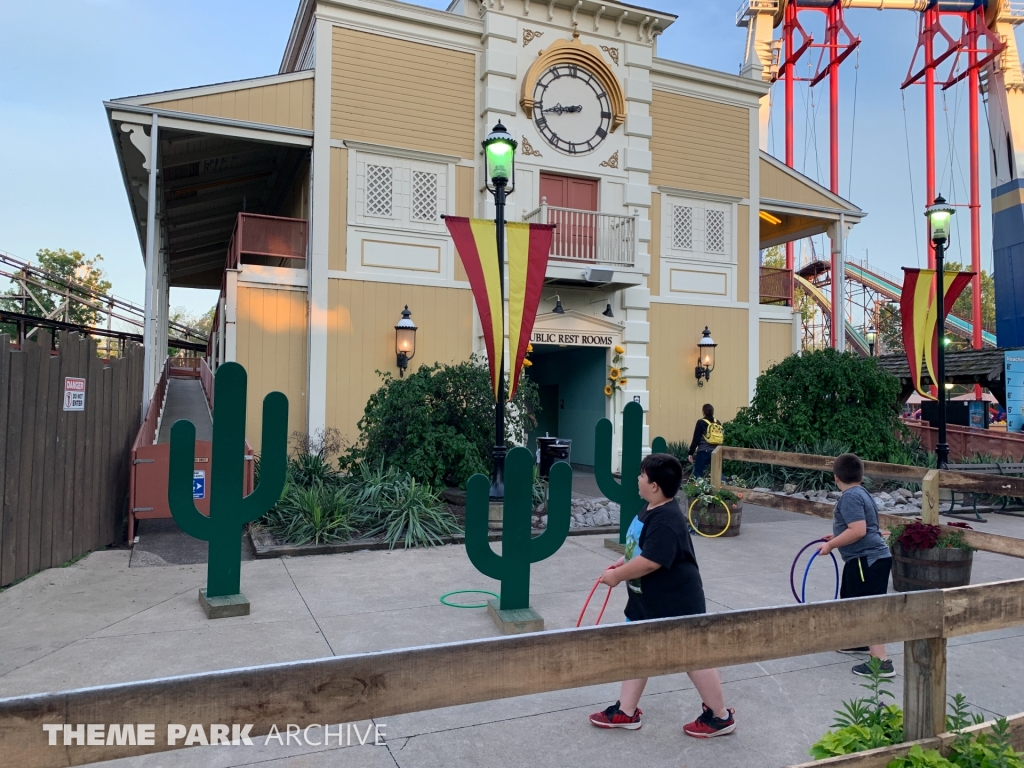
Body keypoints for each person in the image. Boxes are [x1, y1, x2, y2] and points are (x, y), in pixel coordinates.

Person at [588, 453, 736, 738]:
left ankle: (720, 716)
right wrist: (622, 563)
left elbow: (651, 561)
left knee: (693, 657)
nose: (638, 479)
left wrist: (617, 577)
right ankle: (626, 711)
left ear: (654, 485)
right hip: (647, 601)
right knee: (637, 652)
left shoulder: (667, 519)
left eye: (642, 476)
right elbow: (642, 550)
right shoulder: (651, 509)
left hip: (675, 603)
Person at [817, 453, 895, 678]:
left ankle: (881, 662)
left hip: (865, 560)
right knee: (852, 600)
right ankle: (859, 642)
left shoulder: (849, 497)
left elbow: (859, 530)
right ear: (861, 476)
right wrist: (837, 535)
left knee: (867, 607)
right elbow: (862, 527)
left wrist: (831, 545)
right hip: (870, 559)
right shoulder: (862, 493)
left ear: (836, 478)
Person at [687, 404, 721, 479]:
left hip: (704, 451)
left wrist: (690, 453)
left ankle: (697, 489)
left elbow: (696, 438)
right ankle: (723, 486)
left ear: (703, 412)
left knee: (697, 473)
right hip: (716, 451)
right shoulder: (717, 422)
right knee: (718, 472)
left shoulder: (700, 422)